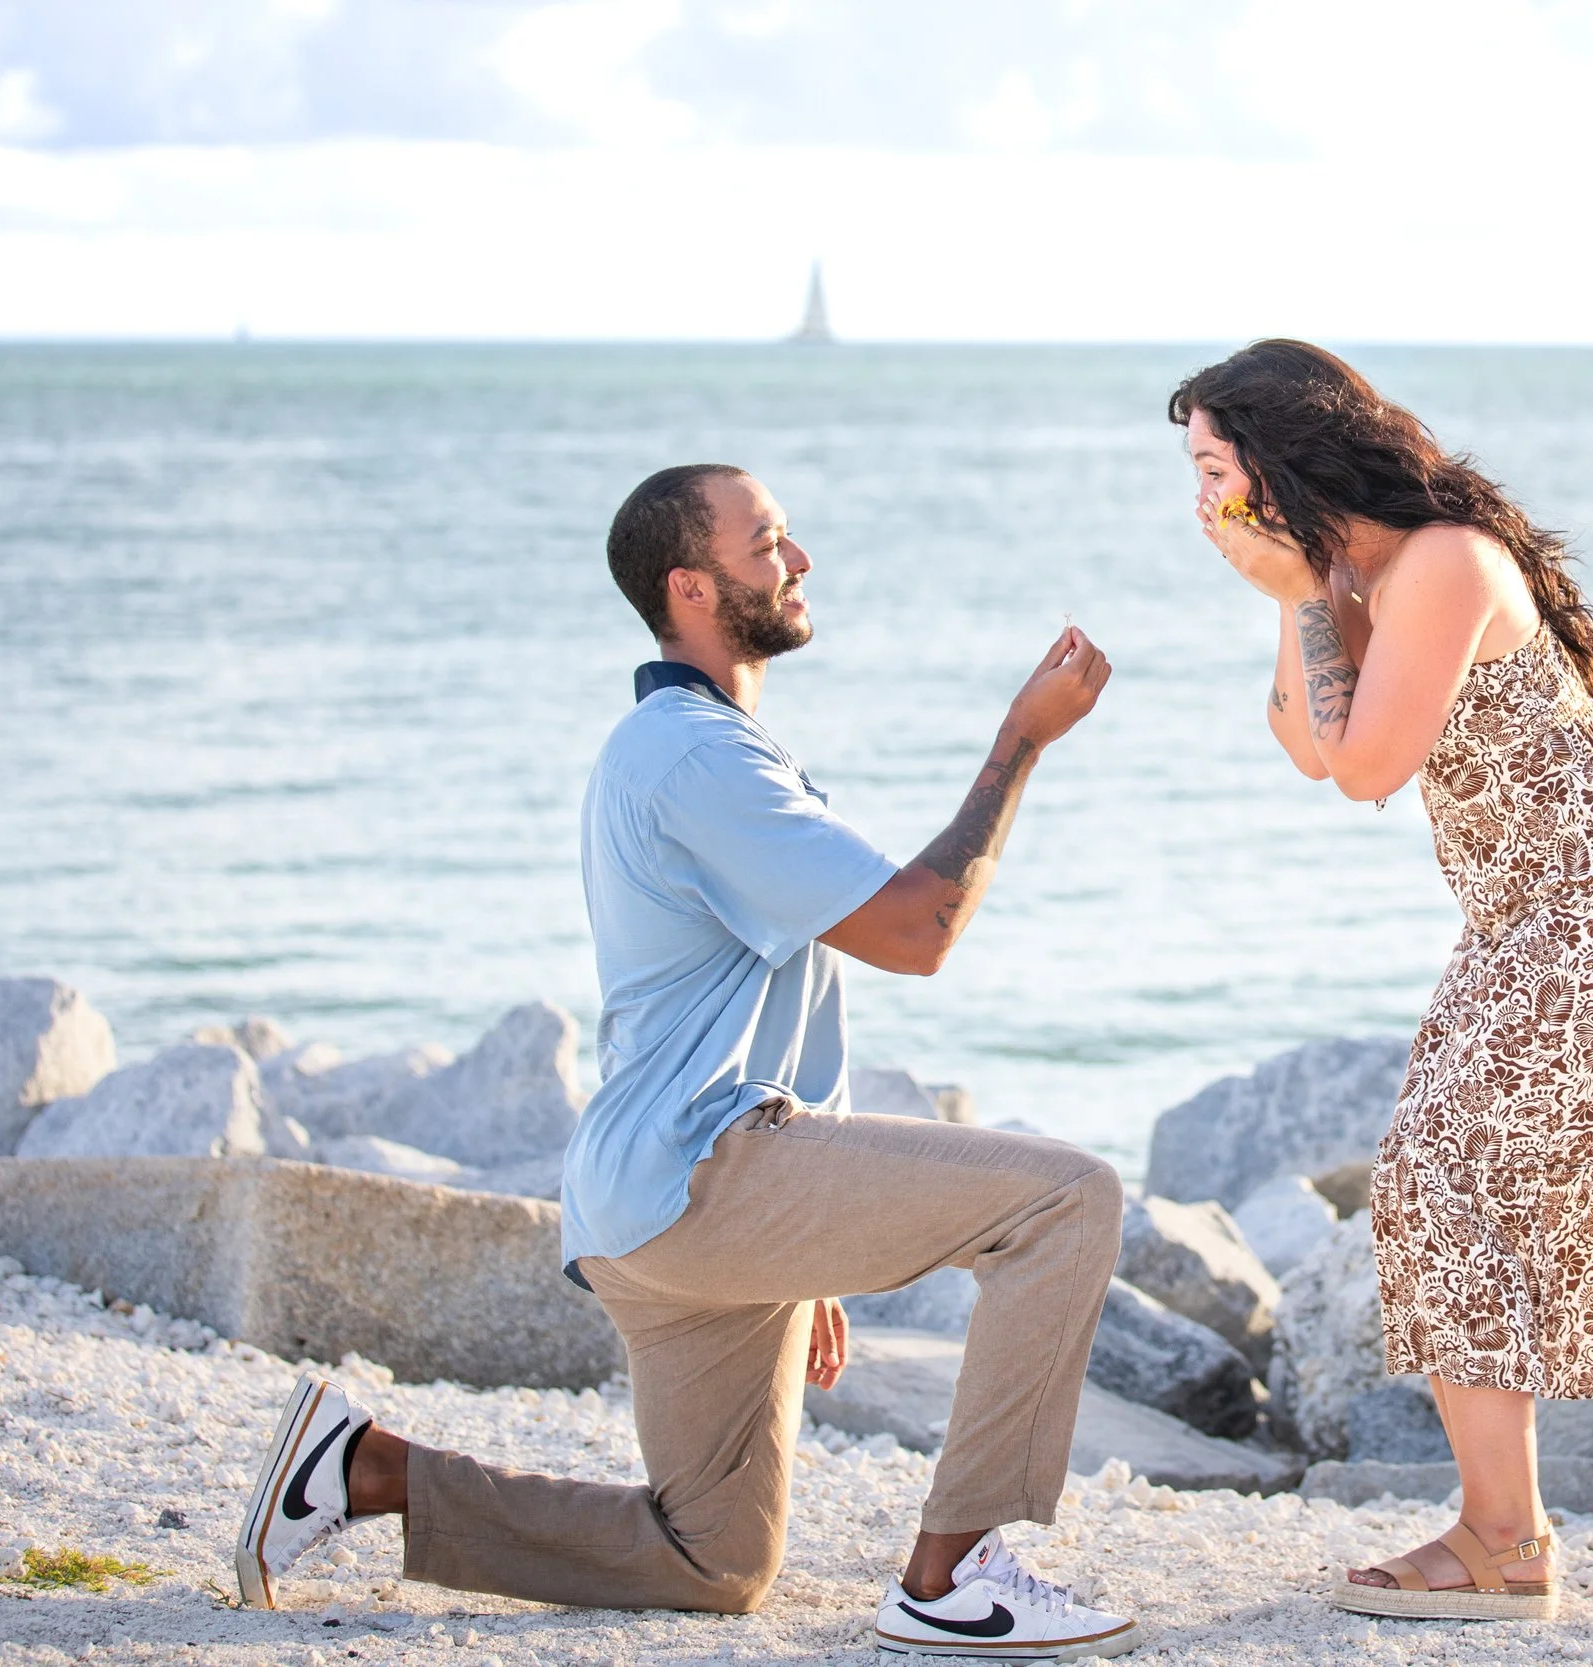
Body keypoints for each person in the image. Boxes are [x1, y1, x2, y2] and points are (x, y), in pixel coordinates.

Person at [234, 463, 1139, 1660]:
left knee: (711, 1558)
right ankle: (953, 1573)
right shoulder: (697, 758)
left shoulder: (694, 748)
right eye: (767, 542)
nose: (799, 559)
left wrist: (808, 1249)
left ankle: (362, 1469)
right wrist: (1021, 738)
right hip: (702, 1168)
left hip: (651, 1203)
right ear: (691, 587)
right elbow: (918, 929)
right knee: (1066, 1200)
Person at [1176, 342, 1593, 1622]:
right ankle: (1503, 1531)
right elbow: (1312, 749)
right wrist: (1293, 593)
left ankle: (1503, 1537)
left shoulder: (1441, 561)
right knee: (1439, 1178)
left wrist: (1301, 591)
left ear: (1281, 459)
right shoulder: (1365, 571)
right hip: (1533, 911)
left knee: (1435, 1176)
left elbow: (1366, 767)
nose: (1199, 501)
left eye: (1211, 470)